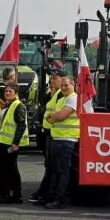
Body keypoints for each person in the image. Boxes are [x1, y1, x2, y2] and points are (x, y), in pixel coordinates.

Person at [42, 74, 80, 209]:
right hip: (57, 138)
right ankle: (51, 196)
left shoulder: (73, 98)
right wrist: (53, 116)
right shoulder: (61, 100)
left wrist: (53, 116)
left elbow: (59, 116)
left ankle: (60, 198)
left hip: (67, 139)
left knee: (63, 171)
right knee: (54, 170)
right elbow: (52, 118)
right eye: (62, 85)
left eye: (66, 85)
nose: (63, 87)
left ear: (73, 85)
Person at [30, 71, 63, 204]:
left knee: (52, 166)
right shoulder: (49, 95)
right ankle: (45, 192)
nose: (52, 81)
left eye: (55, 78)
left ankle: (47, 193)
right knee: (49, 165)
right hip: (47, 133)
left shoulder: (62, 95)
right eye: (51, 78)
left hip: (56, 135)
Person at [0, 84, 29, 203]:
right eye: (6, 91)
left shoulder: (18, 106)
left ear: (16, 93)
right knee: (6, 170)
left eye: (10, 91)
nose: (7, 93)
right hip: (4, 142)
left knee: (11, 171)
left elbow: (21, 125)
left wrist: (15, 143)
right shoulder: (10, 105)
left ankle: (15, 195)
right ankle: (8, 194)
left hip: (10, 145)